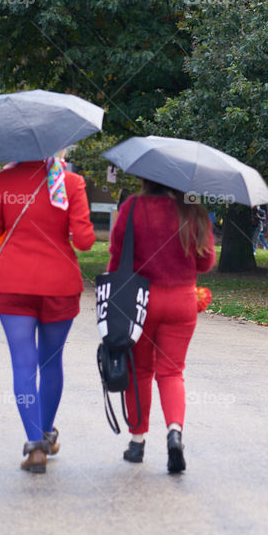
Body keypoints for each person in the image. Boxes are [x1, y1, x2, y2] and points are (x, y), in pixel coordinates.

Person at [0, 153, 95, 473]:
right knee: (50, 361)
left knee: (23, 365)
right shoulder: (70, 183)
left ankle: (35, 449)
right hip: (59, 284)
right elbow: (85, 241)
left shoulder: (2, 181)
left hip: (13, 283)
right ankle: (45, 433)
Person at [109, 179, 215, 474]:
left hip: (141, 300)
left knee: (139, 371)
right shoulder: (194, 211)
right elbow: (205, 263)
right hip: (182, 301)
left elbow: (117, 258)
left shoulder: (132, 207)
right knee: (172, 372)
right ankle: (174, 433)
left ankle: (137, 441)